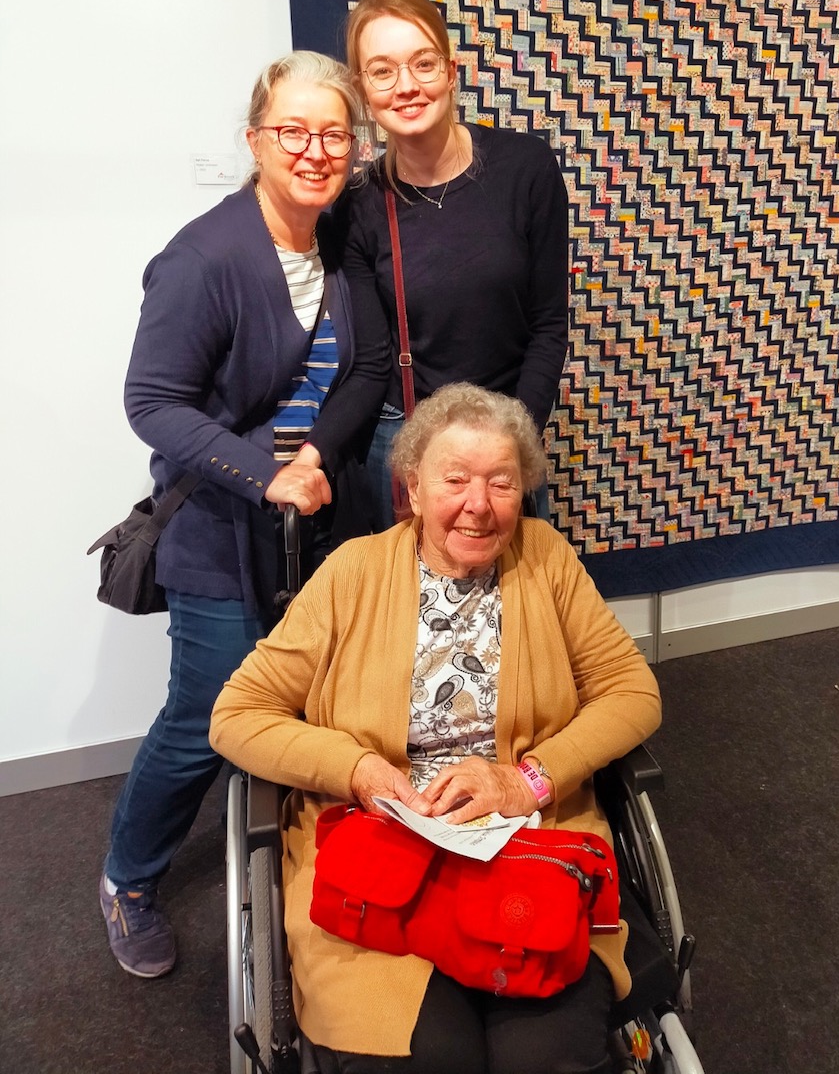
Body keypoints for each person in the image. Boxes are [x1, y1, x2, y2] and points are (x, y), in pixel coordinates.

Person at [210, 383, 661, 1073]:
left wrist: (524, 779)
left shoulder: (546, 559)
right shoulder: (352, 573)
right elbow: (238, 714)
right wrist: (356, 769)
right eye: (455, 480)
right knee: (429, 1055)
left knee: (543, 1058)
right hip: (380, 853)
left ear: (522, 492)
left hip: (527, 851)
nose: (478, 504)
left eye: (501, 482)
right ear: (414, 490)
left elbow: (632, 692)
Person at [99, 51, 388, 979]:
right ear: (256, 139)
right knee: (207, 716)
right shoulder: (204, 259)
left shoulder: (339, 238)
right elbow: (152, 401)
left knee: (312, 697)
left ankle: (298, 847)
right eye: (291, 131)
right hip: (221, 531)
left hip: (315, 522)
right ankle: (126, 879)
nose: (314, 151)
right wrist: (262, 473)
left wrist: (315, 455)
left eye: (333, 133)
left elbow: (371, 370)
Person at [331, 0, 569, 529]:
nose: (406, 86)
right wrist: (315, 454)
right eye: (383, 71)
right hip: (406, 435)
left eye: (423, 64)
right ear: (364, 92)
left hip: (507, 425)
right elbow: (370, 363)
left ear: (452, 71)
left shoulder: (525, 169)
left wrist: (513, 441)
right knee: (406, 610)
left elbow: (548, 326)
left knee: (514, 608)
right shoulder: (363, 206)